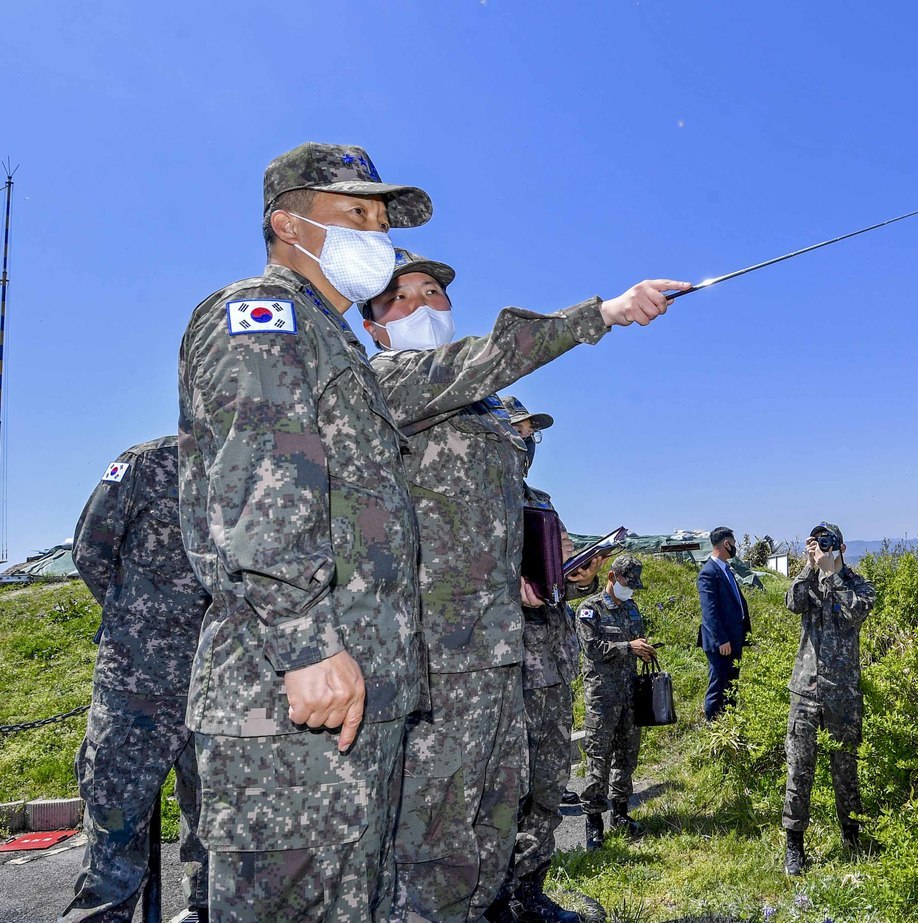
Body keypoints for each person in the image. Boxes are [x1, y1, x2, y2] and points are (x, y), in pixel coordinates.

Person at [363, 252, 687, 921]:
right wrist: (604, 313)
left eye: (433, 293)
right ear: (372, 327)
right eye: (400, 298)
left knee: (497, 807)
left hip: (495, 647)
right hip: (432, 654)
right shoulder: (390, 383)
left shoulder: (474, 405)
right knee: (435, 831)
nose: (424, 306)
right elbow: (493, 357)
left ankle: (516, 902)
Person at [177, 142, 430, 921]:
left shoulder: (336, 343)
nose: (376, 235)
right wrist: (307, 641)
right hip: (291, 694)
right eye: (356, 214)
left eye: (383, 221)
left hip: (351, 696)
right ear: (288, 223)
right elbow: (262, 481)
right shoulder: (264, 314)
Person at [63, 437, 210, 923]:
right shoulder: (145, 462)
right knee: (114, 833)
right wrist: (137, 625)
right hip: (135, 685)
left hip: (219, 684)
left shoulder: (252, 466)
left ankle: (204, 911)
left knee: (217, 829)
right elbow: (91, 549)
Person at [504, 395, 604, 923]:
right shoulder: (473, 498)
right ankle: (492, 897)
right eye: (520, 432)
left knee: (546, 781)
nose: (527, 443)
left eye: (532, 435)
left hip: (551, 664)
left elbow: (553, 580)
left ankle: (528, 891)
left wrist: (575, 579)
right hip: (501, 667)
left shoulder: (539, 499)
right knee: (501, 790)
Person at [782, 521, 876, 876]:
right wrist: (809, 567)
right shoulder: (809, 581)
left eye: (827, 542)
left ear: (841, 547)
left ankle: (851, 837)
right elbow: (792, 603)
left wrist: (832, 573)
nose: (821, 547)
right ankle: (794, 846)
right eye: (816, 541)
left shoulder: (857, 585)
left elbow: (856, 611)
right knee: (799, 771)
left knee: (845, 770)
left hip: (843, 695)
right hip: (805, 691)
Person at [576, 555, 656, 851]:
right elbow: (592, 648)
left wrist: (645, 648)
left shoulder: (632, 609)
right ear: (612, 577)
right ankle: (593, 822)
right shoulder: (590, 609)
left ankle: (620, 814)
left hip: (629, 695)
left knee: (627, 756)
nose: (631, 590)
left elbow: (637, 640)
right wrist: (628, 647)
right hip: (601, 697)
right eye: (627, 583)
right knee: (598, 759)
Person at [696, 526, 750, 721]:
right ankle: (713, 727)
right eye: (734, 544)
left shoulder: (727, 570)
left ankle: (729, 723)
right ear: (726, 544)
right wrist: (721, 640)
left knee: (732, 685)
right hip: (722, 643)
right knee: (718, 686)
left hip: (734, 639)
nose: (735, 548)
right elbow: (709, 611)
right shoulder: (708, 573)